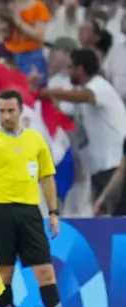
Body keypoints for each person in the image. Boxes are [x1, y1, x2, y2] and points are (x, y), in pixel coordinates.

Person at [0, 89, 83, 307]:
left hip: (31, 213)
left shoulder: (36, 140)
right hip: (0, 212)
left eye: (11, 111)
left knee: (45, 271)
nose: (7, 116)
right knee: (4, 274)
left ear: (21, 111)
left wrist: (53, 213)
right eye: (2, 111)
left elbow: (47, 178)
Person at [39, 49, 126, 215]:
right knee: (101, 217)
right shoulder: (84, 91)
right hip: (98, 167)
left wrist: (48, 93)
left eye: (71, 67)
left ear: (81, 68)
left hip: (114, 165)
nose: (68, 72)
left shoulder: (99, 87)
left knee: (115, 219)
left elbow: (83, 97)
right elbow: (67, 116)